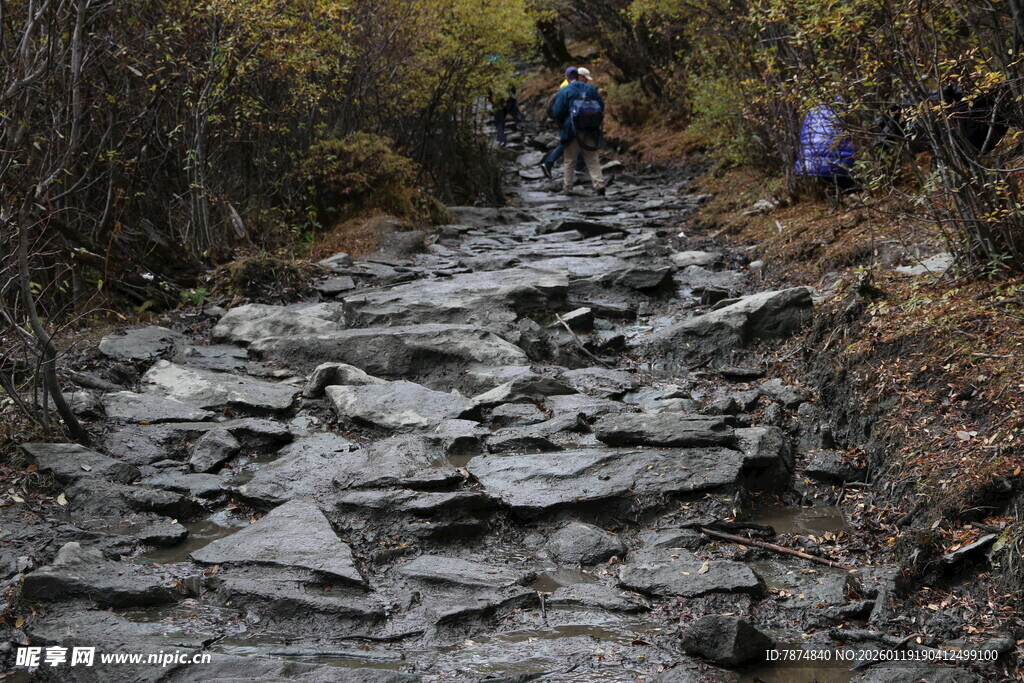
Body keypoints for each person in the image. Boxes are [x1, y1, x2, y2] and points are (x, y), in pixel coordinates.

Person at [551, 68, 606, 195]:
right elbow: (601, 106)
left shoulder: (565, 91)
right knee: (592, 158)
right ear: (579, 76)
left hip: (571, 130)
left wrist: (561, 124)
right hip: (591, 129)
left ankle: (567, 187)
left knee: (570, 160)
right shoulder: (591, 89)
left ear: (567, 78)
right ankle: (599, 184)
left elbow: (557, 112)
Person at [540, 67, 593, 178]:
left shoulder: (569, 86)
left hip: (569, 120)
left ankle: (551, 164)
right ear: (580, 76)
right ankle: (576, 167)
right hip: (570, 121)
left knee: (570, 143)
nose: (587, 81)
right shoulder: (569, 87)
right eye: (585, 78)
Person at [490, 83, 523, 147]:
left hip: (498, 102)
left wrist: (492, 102)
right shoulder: (508, 77)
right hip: (510, 99)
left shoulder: (491, 79)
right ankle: (523, 129)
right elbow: (513, 89)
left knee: (499, 123)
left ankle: (502, 141)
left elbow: (489, 93)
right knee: (517, 116)